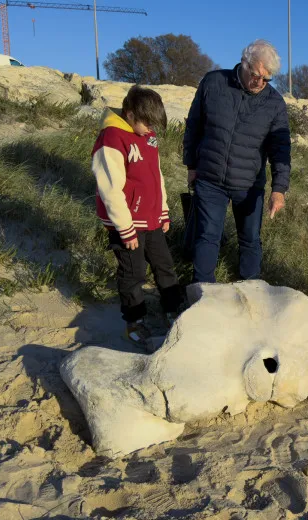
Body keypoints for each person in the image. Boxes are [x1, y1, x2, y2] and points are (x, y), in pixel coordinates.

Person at [182, 39, 291, 283]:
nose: (260, 82)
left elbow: (281, 149)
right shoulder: (213, 82)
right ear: (244, 63)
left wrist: (279, 189)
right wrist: (191, 165)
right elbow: (193, 126)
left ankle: (251, 289)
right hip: (210, 178)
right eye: (256, 75)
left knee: (250, 238)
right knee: (207, 236)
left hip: (249, 185)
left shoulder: (274, 103)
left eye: (267, 78)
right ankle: (202, 293)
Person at [92, 86, 184, 345]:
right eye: (146, 123)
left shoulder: (149, 136)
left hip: (152, 218)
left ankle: (173, 310)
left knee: (164, 266)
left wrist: (163, 210)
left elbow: (157, 176)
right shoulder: (111, 138)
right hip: (127, 223)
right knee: (133, 275)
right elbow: (109, 187)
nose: (149, 130)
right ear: (130, 114)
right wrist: (125, 228)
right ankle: (134, 322)